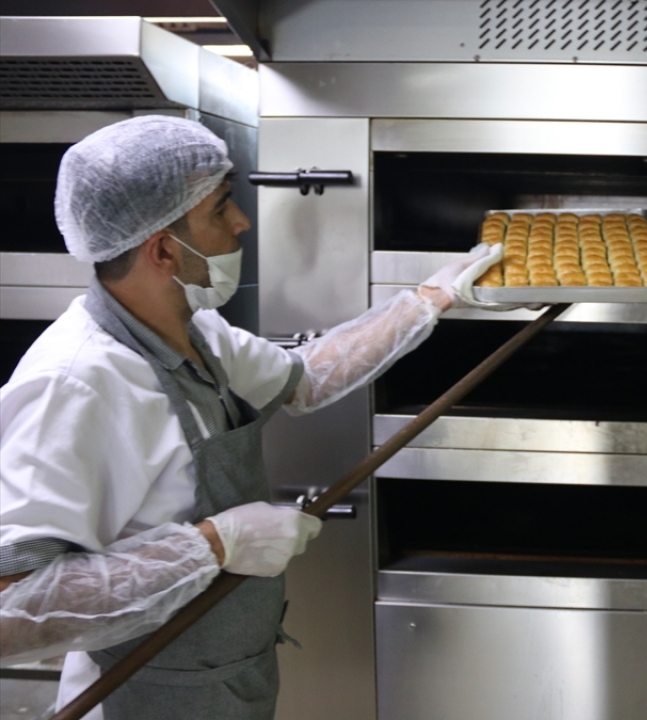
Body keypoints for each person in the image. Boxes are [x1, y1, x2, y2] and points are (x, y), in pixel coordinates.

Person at [0, 116, 499, 719]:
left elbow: (306, 378)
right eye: (220, 208)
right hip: (142, 694)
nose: (242, 221)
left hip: (227, 678)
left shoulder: (195, 330)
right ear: (163, 248)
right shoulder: (75, 382)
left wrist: (431, 299)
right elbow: (13, 608)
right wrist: (212, 544)